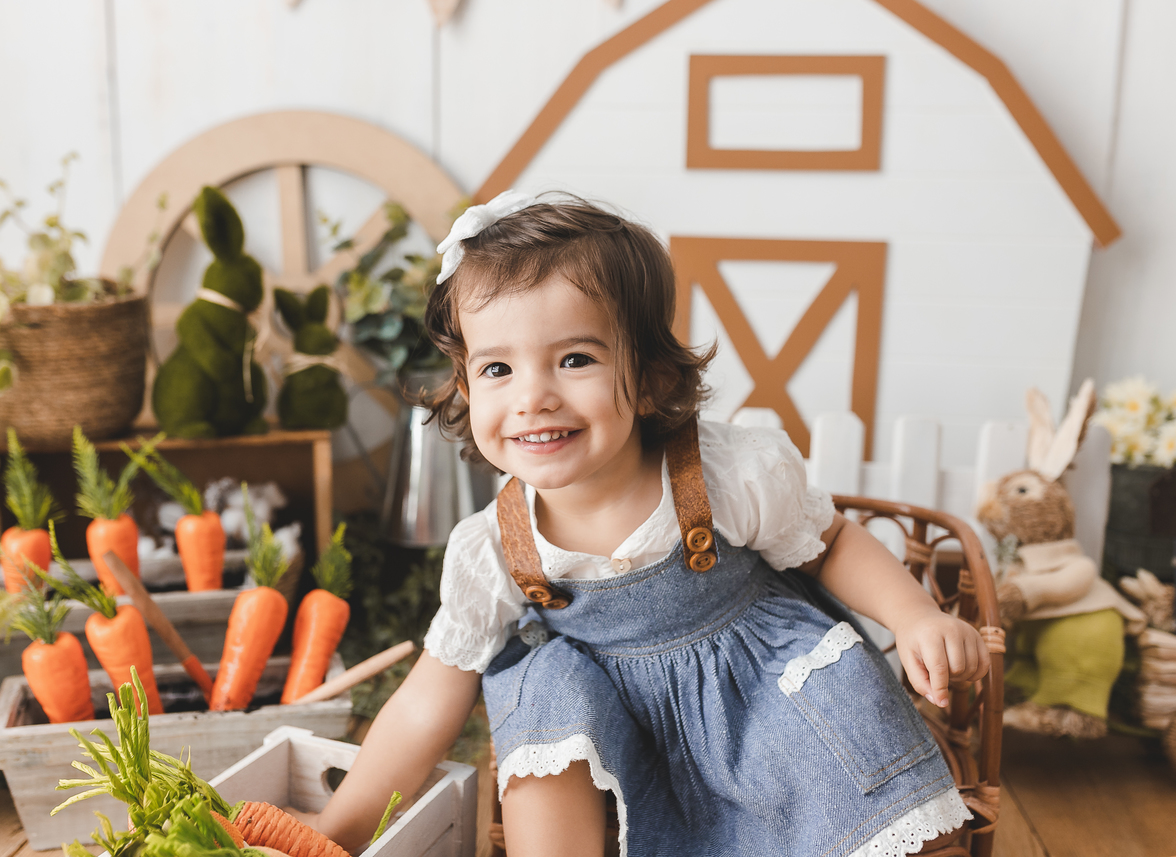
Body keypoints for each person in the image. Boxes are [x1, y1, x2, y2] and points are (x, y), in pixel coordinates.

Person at [312, 192, 991, 857]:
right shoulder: (491, 547)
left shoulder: (723, 474)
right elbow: (428, 700)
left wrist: (913, 615)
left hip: (753, 705)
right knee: (539, 688)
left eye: (575, 358)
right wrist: (330, 833)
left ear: (652, 378)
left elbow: (831, 542)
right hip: (610, 737)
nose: (532, 396)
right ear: (466, 390)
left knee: (835, 717)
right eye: (497, 367)